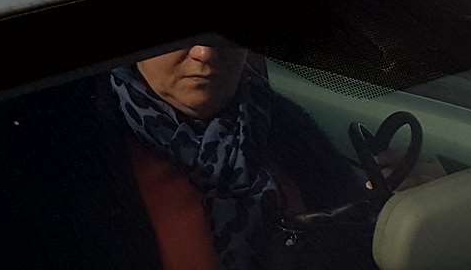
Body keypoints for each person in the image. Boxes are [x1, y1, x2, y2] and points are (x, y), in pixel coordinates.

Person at [104, 41, 406, 270]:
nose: (205, 53)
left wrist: (399, 213)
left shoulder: (287, 127)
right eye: (180, 34)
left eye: (222, 31)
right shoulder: (87, 151)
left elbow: (353, 243)